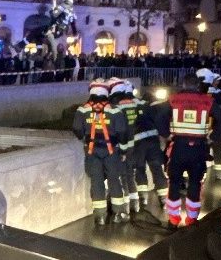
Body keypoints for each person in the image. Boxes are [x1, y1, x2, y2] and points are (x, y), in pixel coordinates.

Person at [156, 75, 221, 227]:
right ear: (198, 86)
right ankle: (192, 219)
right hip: (199, 148)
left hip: (178, 147)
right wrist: (212, 138)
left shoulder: (173, 99)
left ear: (183, 84)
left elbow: (159, 118)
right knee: (195, 182)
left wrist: (167, 135)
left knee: (174, 183)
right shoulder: (208, 101)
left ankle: (173, 219)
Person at [72, 79, 129, 225]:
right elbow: (122, 132)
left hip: (92, 151)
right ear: (106, 92)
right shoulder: (115, 110)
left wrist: (85, 137)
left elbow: (77, 129)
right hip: (112, 151)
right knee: (114, 179)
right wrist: (123, 150)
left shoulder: (82, 110)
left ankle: (100, 216)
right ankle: (118, 213)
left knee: (96, 181)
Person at [132, 87, 170, 207]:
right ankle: (164, 199)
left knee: (140, 168)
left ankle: (143, 199)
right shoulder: (148, 107)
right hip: (153, 142)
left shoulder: (129, 107)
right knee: (157, 168)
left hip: (138, 144)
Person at [109, 79, 143, 213]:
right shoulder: (132, 104)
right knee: (129, 174)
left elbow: (119, 129)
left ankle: (125, 208)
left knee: (122, 176)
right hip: (133, 143)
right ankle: (135, 204)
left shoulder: (117, 106)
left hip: (122, 146)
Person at [17, 0, 77, 66]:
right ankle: (22, 46)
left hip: (57, 30)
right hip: (56, 29)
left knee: (38, 31)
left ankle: (21, 46)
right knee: (37, 33)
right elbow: (72, 24)